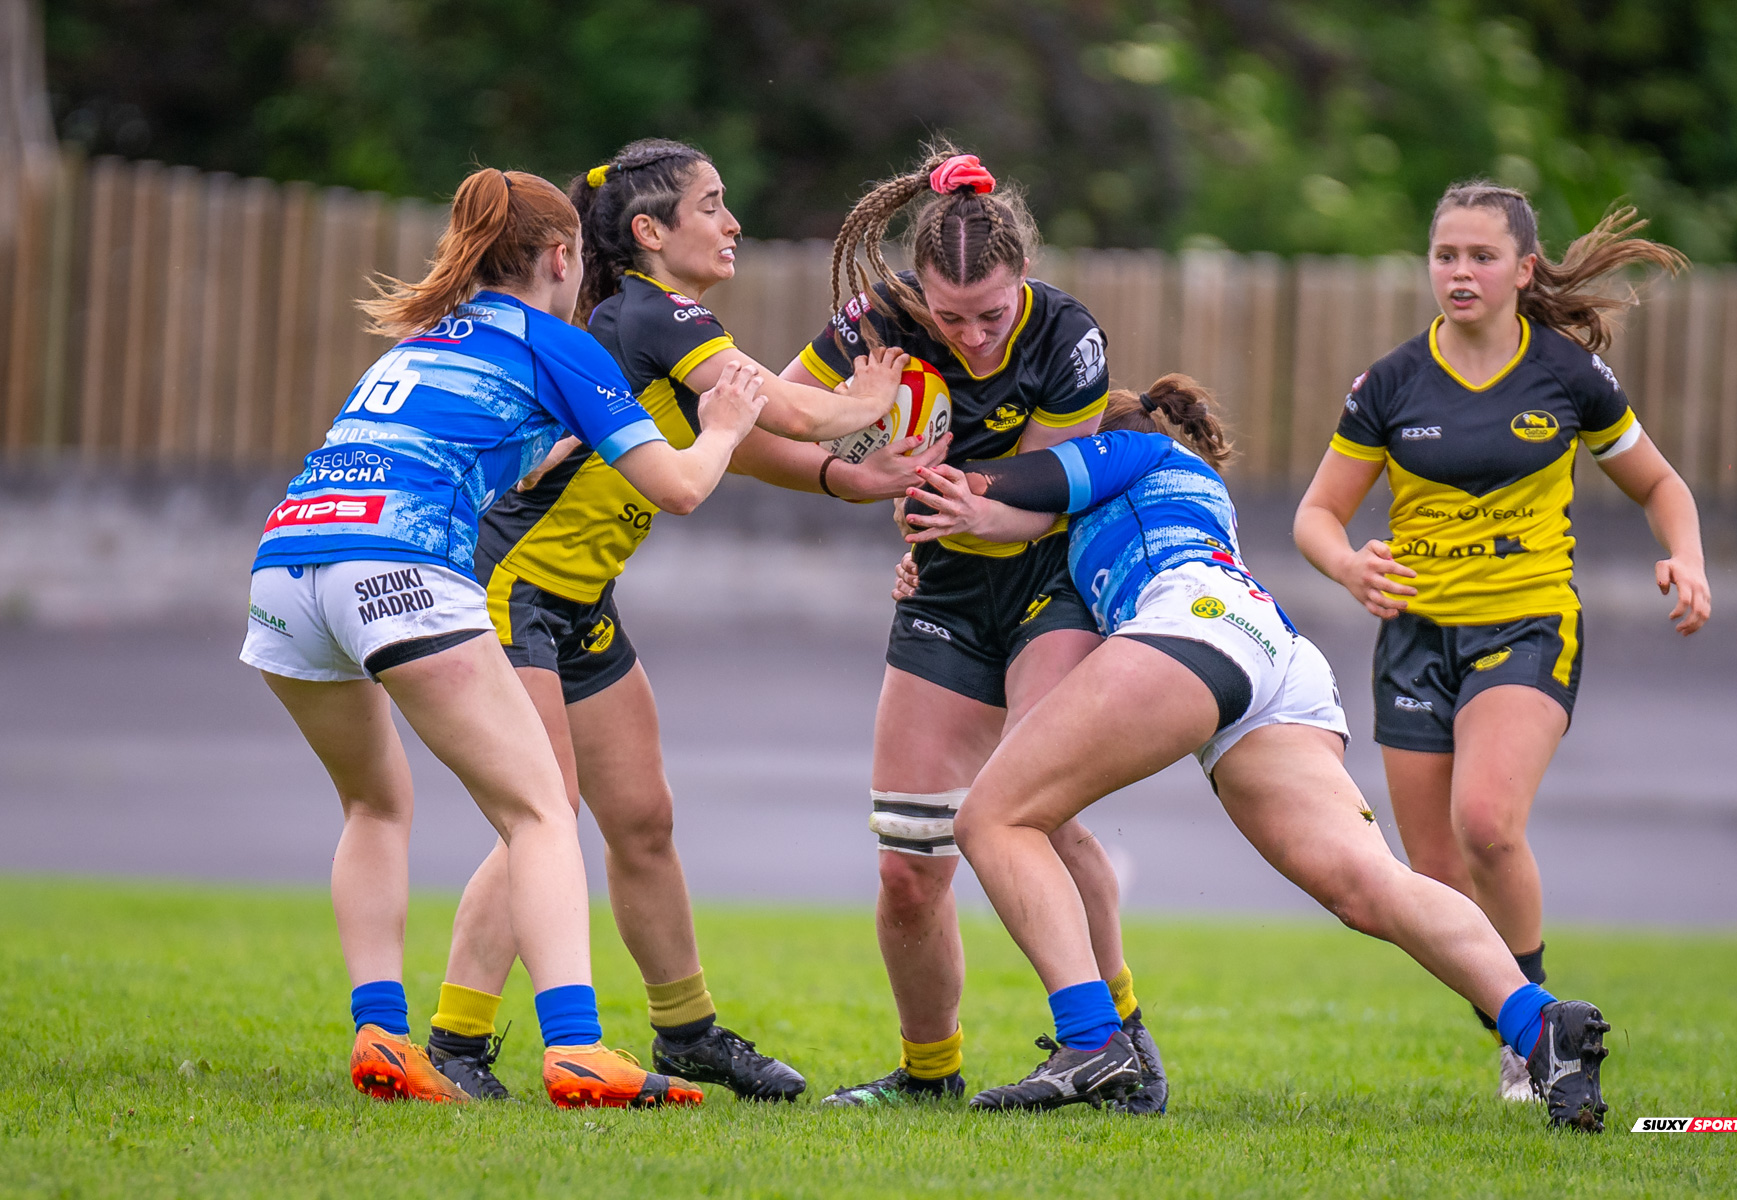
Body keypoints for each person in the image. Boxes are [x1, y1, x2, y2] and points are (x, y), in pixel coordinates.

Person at [903, 376, 1613, 1130]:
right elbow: (1014, 537)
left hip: (1195, 623)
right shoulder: (1137, 507)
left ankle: (1091, 1041)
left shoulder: (1135, 451)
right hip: (1272, 654)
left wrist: (917, 467)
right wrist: (941, 554)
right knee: (1369, 886)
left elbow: (1016, 482)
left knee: (993, 819)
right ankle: (1541, 1026)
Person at [239, 166, 768, 1108]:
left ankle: (382, 1036)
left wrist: (559, 443)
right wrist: (723, 426)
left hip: (287, 564)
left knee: (374, 806)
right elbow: (682, 486)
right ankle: (577, 1047)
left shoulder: (420, 342)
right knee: (541, 810)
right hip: (398, 567)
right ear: (563, 258)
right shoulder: (559, 343)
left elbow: (486, 452)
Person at [421, 139, 918, 1102]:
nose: (733, 224)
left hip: (579, 605)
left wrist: (847, 475)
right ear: (650, 231)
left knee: (643, 821)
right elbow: (786, 410)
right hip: (513, 591)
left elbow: (744, 432)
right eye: (712, 205)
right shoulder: (656, 312)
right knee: (542, 814)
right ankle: (455, 1042)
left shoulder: (648, 322)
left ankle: (687, 1034)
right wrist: (870, 395)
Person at [745, 145, 1167, 1112]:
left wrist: (953, 500)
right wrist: (850, 472)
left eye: (992, 315)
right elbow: (752, 434)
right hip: (944, 594)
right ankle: (928, 1073)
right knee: (907, 864)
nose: (973, 339)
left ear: (1024, 276)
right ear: (917, 292)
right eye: (950, 317)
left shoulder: (1068, 337)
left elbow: (1044, 494)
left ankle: (1120, 1042)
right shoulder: (875, 321)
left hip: (1047, 584)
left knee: (1036, 814)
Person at [1292, 182, 1707, 1100]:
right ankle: (1528, 1031)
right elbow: (1317, 515)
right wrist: (1349, 566)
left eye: (1482, 256)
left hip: (1526, 623)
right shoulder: (1391, 382)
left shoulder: (1567, 375)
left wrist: (1687, 556)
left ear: (1523, 270)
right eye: (1446, 255)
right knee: (1434, 877)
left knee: (1485, 824)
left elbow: (1661, 485)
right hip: (1414, 639)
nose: (1460, 272)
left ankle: (1542, 1032)